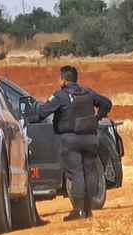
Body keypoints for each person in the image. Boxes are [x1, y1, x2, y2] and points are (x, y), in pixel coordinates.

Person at [29, 66, 112, 221]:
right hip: (90, 139)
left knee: (76, 173)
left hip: (70, 140)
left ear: (63, 80)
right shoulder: (88, 93)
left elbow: (42, 113)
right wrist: (97, 118)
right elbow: (107, 103)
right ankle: (88, 210)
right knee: (90, 172)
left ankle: (79, 211)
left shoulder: (60, 96)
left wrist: (28, 119)